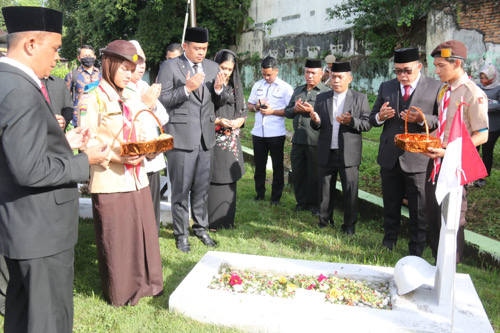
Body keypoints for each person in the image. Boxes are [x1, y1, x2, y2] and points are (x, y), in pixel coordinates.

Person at [0, 6, 109, 332]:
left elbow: (17, 150)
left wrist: (65, 139)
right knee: (49, 322)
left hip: (22, 227)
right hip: (41, 232)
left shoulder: (7, 81)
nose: (58, 58)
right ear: (31, 43)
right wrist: (84, 160)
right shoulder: (20, 89)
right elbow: (30, 169)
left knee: (23, 316)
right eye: (55, 48)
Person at [79, 40, 164, 306]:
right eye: (125, 69)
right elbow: (87, 140)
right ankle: (122, 292)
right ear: (110, 65)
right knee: (118, 240)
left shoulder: (130, 97)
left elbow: (144, 130)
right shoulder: (92, 98)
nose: (130, 75)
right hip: (110, 180)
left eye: (133, 69)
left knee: (142, 233)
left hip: (138, 178)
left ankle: (148, 284)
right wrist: (118, 157)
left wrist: (151, 148)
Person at [157, 27, 225, 252]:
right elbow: (163, 100)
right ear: (185, 46)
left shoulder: (213, 67)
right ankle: (181, 234)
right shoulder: (169, 66)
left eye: (205, 48)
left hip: (206, 138)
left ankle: (201, 228)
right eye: (197, 48)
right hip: (181, 137)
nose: (201, 53)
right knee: (180, 189)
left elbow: (221, 101)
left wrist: (218, 90)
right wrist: (186, 89)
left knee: (201, 188)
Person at [368, 47, 442, 256]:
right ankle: (389, 240)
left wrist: (422, 119)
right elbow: (372, 118)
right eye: (398, 71)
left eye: (407, 71)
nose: (403, 76)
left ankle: (416, 248)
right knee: (390, 201)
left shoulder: (436, 87)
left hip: (419, 157)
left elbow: (441, 119)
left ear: (419, 67)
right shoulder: (386, 86)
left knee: (419, 206)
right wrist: (381, 116)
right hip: (390, 155)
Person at [423, 40, 489, 264]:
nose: (437, 70)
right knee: (432, 214)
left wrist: (448, 152)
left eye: (441, 65)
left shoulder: (472, 93)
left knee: (452, 220)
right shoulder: (444, 90)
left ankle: (451, 269)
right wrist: (430, 139)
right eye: (436, 65)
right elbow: (444, 125)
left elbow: (482, 134)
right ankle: (436, 262)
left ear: (457, 64)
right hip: (435, 163)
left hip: (455, 165)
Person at [310, 62, 372, 234]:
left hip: (349, 153)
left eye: (340, 77)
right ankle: (324, 220)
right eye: (332, 76)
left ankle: (349, 226)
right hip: (326, 150)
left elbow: (367, 124)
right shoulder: (323, 98)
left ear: (349, 79)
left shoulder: (360, 98)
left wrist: (351, 121)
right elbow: (318, 125)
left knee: (350, 190)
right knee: (325, 189)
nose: (335, 80)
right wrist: (315, 121)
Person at [125, 40, 169, 235]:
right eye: (137, 60)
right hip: (133, 159)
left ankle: (151, 242)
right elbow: (127, 122)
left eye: (143, 60)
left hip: (152, 157)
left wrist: (151, 104)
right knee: (134, 210)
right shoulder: (120, 88)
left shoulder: (144, 85)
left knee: (152, 206)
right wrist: (144, 104)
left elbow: (164, 117)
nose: (141, 65)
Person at [208, 49, 247, 230]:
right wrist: (218, 121)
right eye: (222, 68)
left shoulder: (235, 86)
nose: (225, 72)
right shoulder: (208, 84)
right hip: (214, 138)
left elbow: (243, 109)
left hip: (231, 138)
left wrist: (240, 120)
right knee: (215, 176)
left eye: (230, 69)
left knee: (229, 178)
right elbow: (203, 112)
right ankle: (212, 222)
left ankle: (227, 221)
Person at [285, 59, 330, 215]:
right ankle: (301, 202)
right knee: (298, 172)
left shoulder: (326, 92)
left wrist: (312, 110)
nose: (309, 76)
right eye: (307, 72)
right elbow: (287, 112)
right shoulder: (298, 91)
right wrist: (295, 109)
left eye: (313, 73)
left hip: (315, 140)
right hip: (298, 140)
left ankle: (315, 205)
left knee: (315, 174)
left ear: (321, 74)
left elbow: (328, 117)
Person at [247, 56, 293, 205]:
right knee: (259, 165)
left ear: (276, 71)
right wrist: (257, 107)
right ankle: (259, 194)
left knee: (277, 166)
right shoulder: (258, 85)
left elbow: (290, 111)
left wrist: (273, 111)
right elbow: (250, 105)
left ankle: (276, 197)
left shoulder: (285, 88)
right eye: (264, 74)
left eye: (269, 74)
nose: (266, 77)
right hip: (258, 133)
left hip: (276, 133)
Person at [474, 64, 500, 187]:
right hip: (477, 125)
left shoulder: (498, 88)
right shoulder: (477, 87)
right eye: (482, 77)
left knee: (487, 151)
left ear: (493, 77)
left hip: (493, 127)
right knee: (473, 150)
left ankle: (483, 176)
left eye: (486, 78)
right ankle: (472, 174)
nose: (483, 81)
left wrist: (485, 106)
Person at [65, 44, 101, 126]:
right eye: (85, 56)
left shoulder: (101, 75)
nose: (88, 58)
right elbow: (65, 98)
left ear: (95, 57)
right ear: (79, 58)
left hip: (98, 120)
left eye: (90, 55)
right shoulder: (72, 75)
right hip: (79, 120)